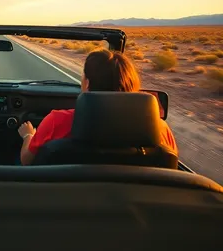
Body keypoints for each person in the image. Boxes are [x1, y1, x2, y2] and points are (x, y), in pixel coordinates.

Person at [18, 49, 178, 165]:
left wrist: (28, 136)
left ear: (87, 83)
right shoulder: (159, 129)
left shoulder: (57, 121)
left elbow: (26, 161)